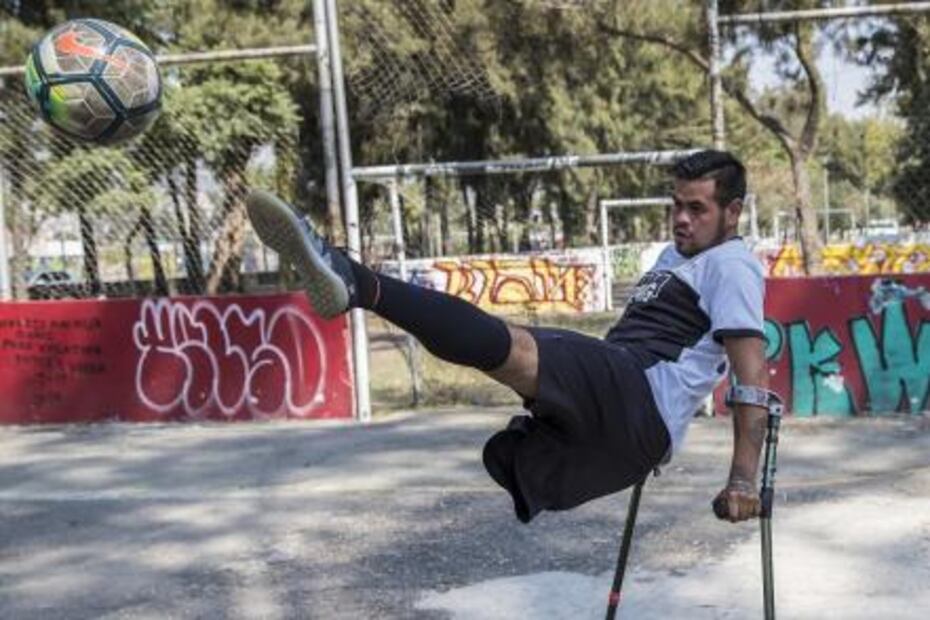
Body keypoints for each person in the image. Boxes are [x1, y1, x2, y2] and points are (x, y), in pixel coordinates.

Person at [246, 149, 769, 525]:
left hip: (640, 398)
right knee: (505, 352)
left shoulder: (732, 265)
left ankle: (354, 279)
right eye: (676, 204)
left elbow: (752, 378)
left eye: (696, 209)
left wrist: (744, 478)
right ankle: (354, 281)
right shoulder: (677, 255)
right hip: (622, 388)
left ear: (733, 211)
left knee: (512, 347)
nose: (681, 219)